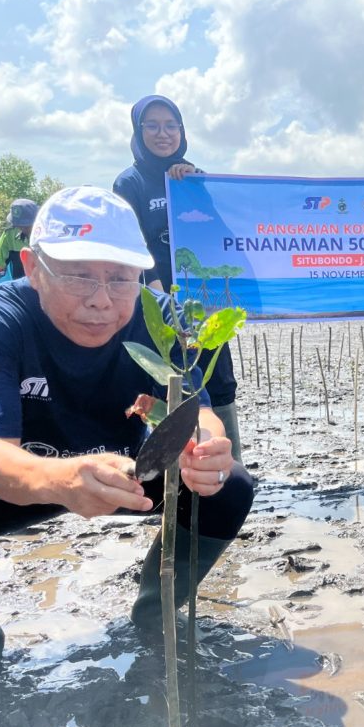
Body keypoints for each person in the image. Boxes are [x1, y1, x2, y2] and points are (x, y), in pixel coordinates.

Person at [0, 186, 252, 694]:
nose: (100, 300)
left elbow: (197, 410)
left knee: (230, 486)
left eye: (119, 279)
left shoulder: (155, 316)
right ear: (31, 266)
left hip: (125, 469)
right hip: (21, 470)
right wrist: (62, 478)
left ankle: (157, 614)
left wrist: (209, 449)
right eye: (78, 276)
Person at [113, 94, 242, 461]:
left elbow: (218, 233)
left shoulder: (192, 176)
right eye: (151, 126)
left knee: (217, 375)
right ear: (138, 132)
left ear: (182, 131)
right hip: (159, 301)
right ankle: (174, 463)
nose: (162, 133)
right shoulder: (129, 182)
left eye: (171, 125)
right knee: (172, 378)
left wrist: (196, 186)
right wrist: (158, 295)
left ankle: (228, 461)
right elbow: (133, 241)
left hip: (203, 297)